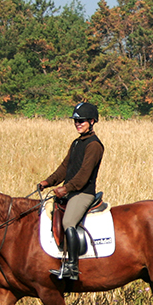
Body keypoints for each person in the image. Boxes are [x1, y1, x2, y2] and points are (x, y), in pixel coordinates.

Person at [38, 102, 104, 279]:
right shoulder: (76, 143)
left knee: (68, 222)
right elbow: (64, 168)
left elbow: (83, 175)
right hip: (71, 191)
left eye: (81, 121)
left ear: (92, 121)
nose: (77, 124)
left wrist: (65, 188)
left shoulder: (94, 145)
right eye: (75, 121)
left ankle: (72, 267)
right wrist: (48, 182)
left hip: (83, 193)